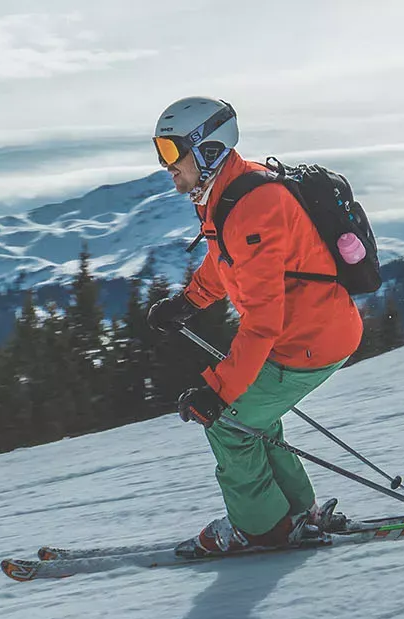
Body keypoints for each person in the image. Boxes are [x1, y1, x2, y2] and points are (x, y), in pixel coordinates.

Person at [145, 96, 365, 556]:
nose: (166, 166)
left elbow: (263, 324)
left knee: (229, 423)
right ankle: (295, 513)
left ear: (206, 149)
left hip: (307, 341)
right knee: (255, 419)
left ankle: (262, 528)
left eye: (171, 152)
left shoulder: (252, 207)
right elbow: (223, 261)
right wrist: (188, 302)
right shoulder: (226, 194)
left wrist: (218, 392)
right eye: (160, 151)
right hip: (312, 332)